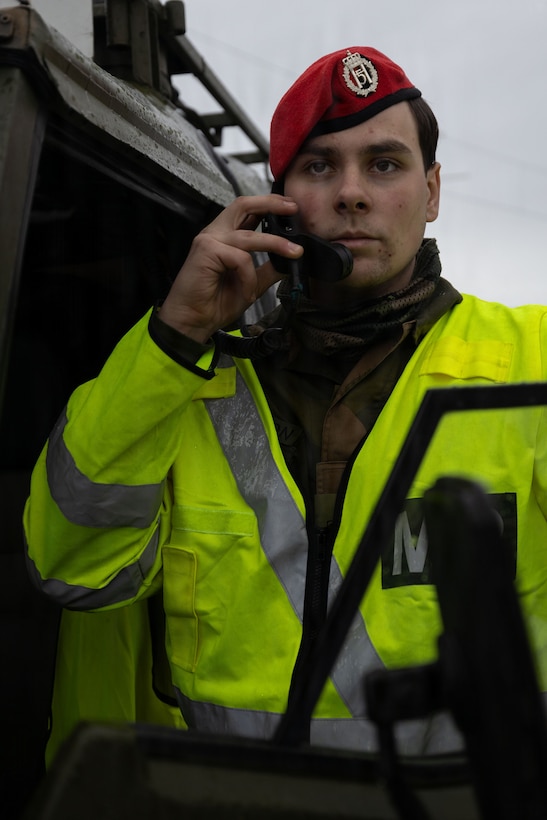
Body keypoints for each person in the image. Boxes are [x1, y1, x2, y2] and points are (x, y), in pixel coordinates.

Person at [24, 46, 547, 757]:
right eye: (320, 167)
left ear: (430, 193)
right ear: (278, 203)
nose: (351, 193)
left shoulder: (532, 357)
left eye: (383, 165)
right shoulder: (181, 374)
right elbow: (71, 566)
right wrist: (174, 337)